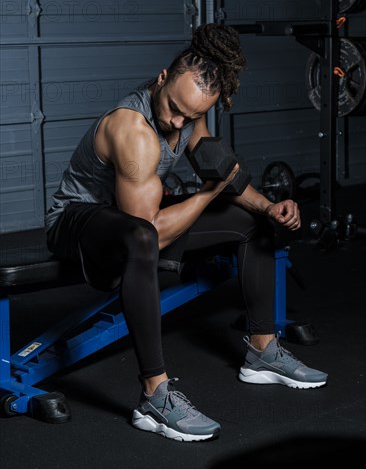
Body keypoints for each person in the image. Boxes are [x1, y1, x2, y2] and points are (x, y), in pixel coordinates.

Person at [45, 23, 328, 442]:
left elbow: (217, 171)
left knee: (252, 223)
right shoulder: (134, 132)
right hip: (78, 222)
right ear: (162, 78)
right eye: (175, 108)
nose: (177, 121)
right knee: (140, 239)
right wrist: (209, 195)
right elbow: (150, 232)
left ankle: (262, 351)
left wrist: (268, 206)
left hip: (136, 219)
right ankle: (155, 396)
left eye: (191, 115)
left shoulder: (191, 113)